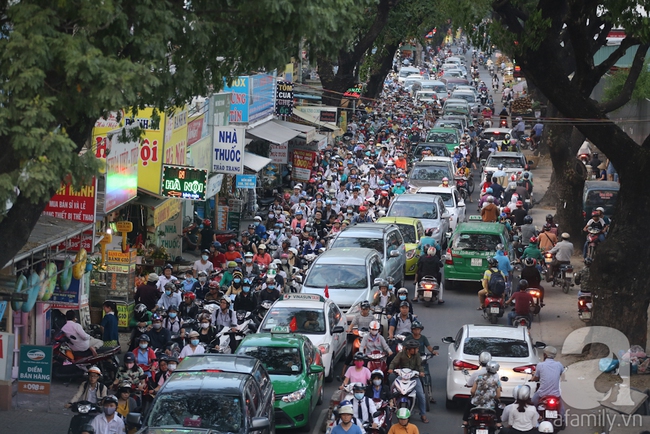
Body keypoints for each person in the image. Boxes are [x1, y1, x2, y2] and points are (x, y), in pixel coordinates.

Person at [389, 340, 429, 423]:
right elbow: (394, 362)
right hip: (402, 376)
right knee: (392, 386)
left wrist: (421, 372)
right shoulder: (401, 354)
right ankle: (391, 404)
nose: (417, 350)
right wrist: (391, 369)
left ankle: (423, 414)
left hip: (413, 376)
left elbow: (419, 365)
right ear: (409, 349)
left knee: (421, 395)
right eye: (415, 349)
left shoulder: (417, 355)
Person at [462, 361, 502, 432]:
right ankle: (499, 422)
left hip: (476, 403)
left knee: (468, 402)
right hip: (490, 405)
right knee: (498, 404)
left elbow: (472, 391)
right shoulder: (496, 380)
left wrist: (474, 396)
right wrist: (494, 398)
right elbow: (498, 395)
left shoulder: (479, 377)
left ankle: (465, 421)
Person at [531, 346, 565, 413]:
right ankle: (564, 421)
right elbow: (563, 375)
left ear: (544, 355)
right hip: (556, 395)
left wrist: (532, 379)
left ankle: (533, 419)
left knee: (531, 405)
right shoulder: (559, 365)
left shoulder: (540, 365)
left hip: (542, 393)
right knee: (562, 410)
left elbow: (536, 377)